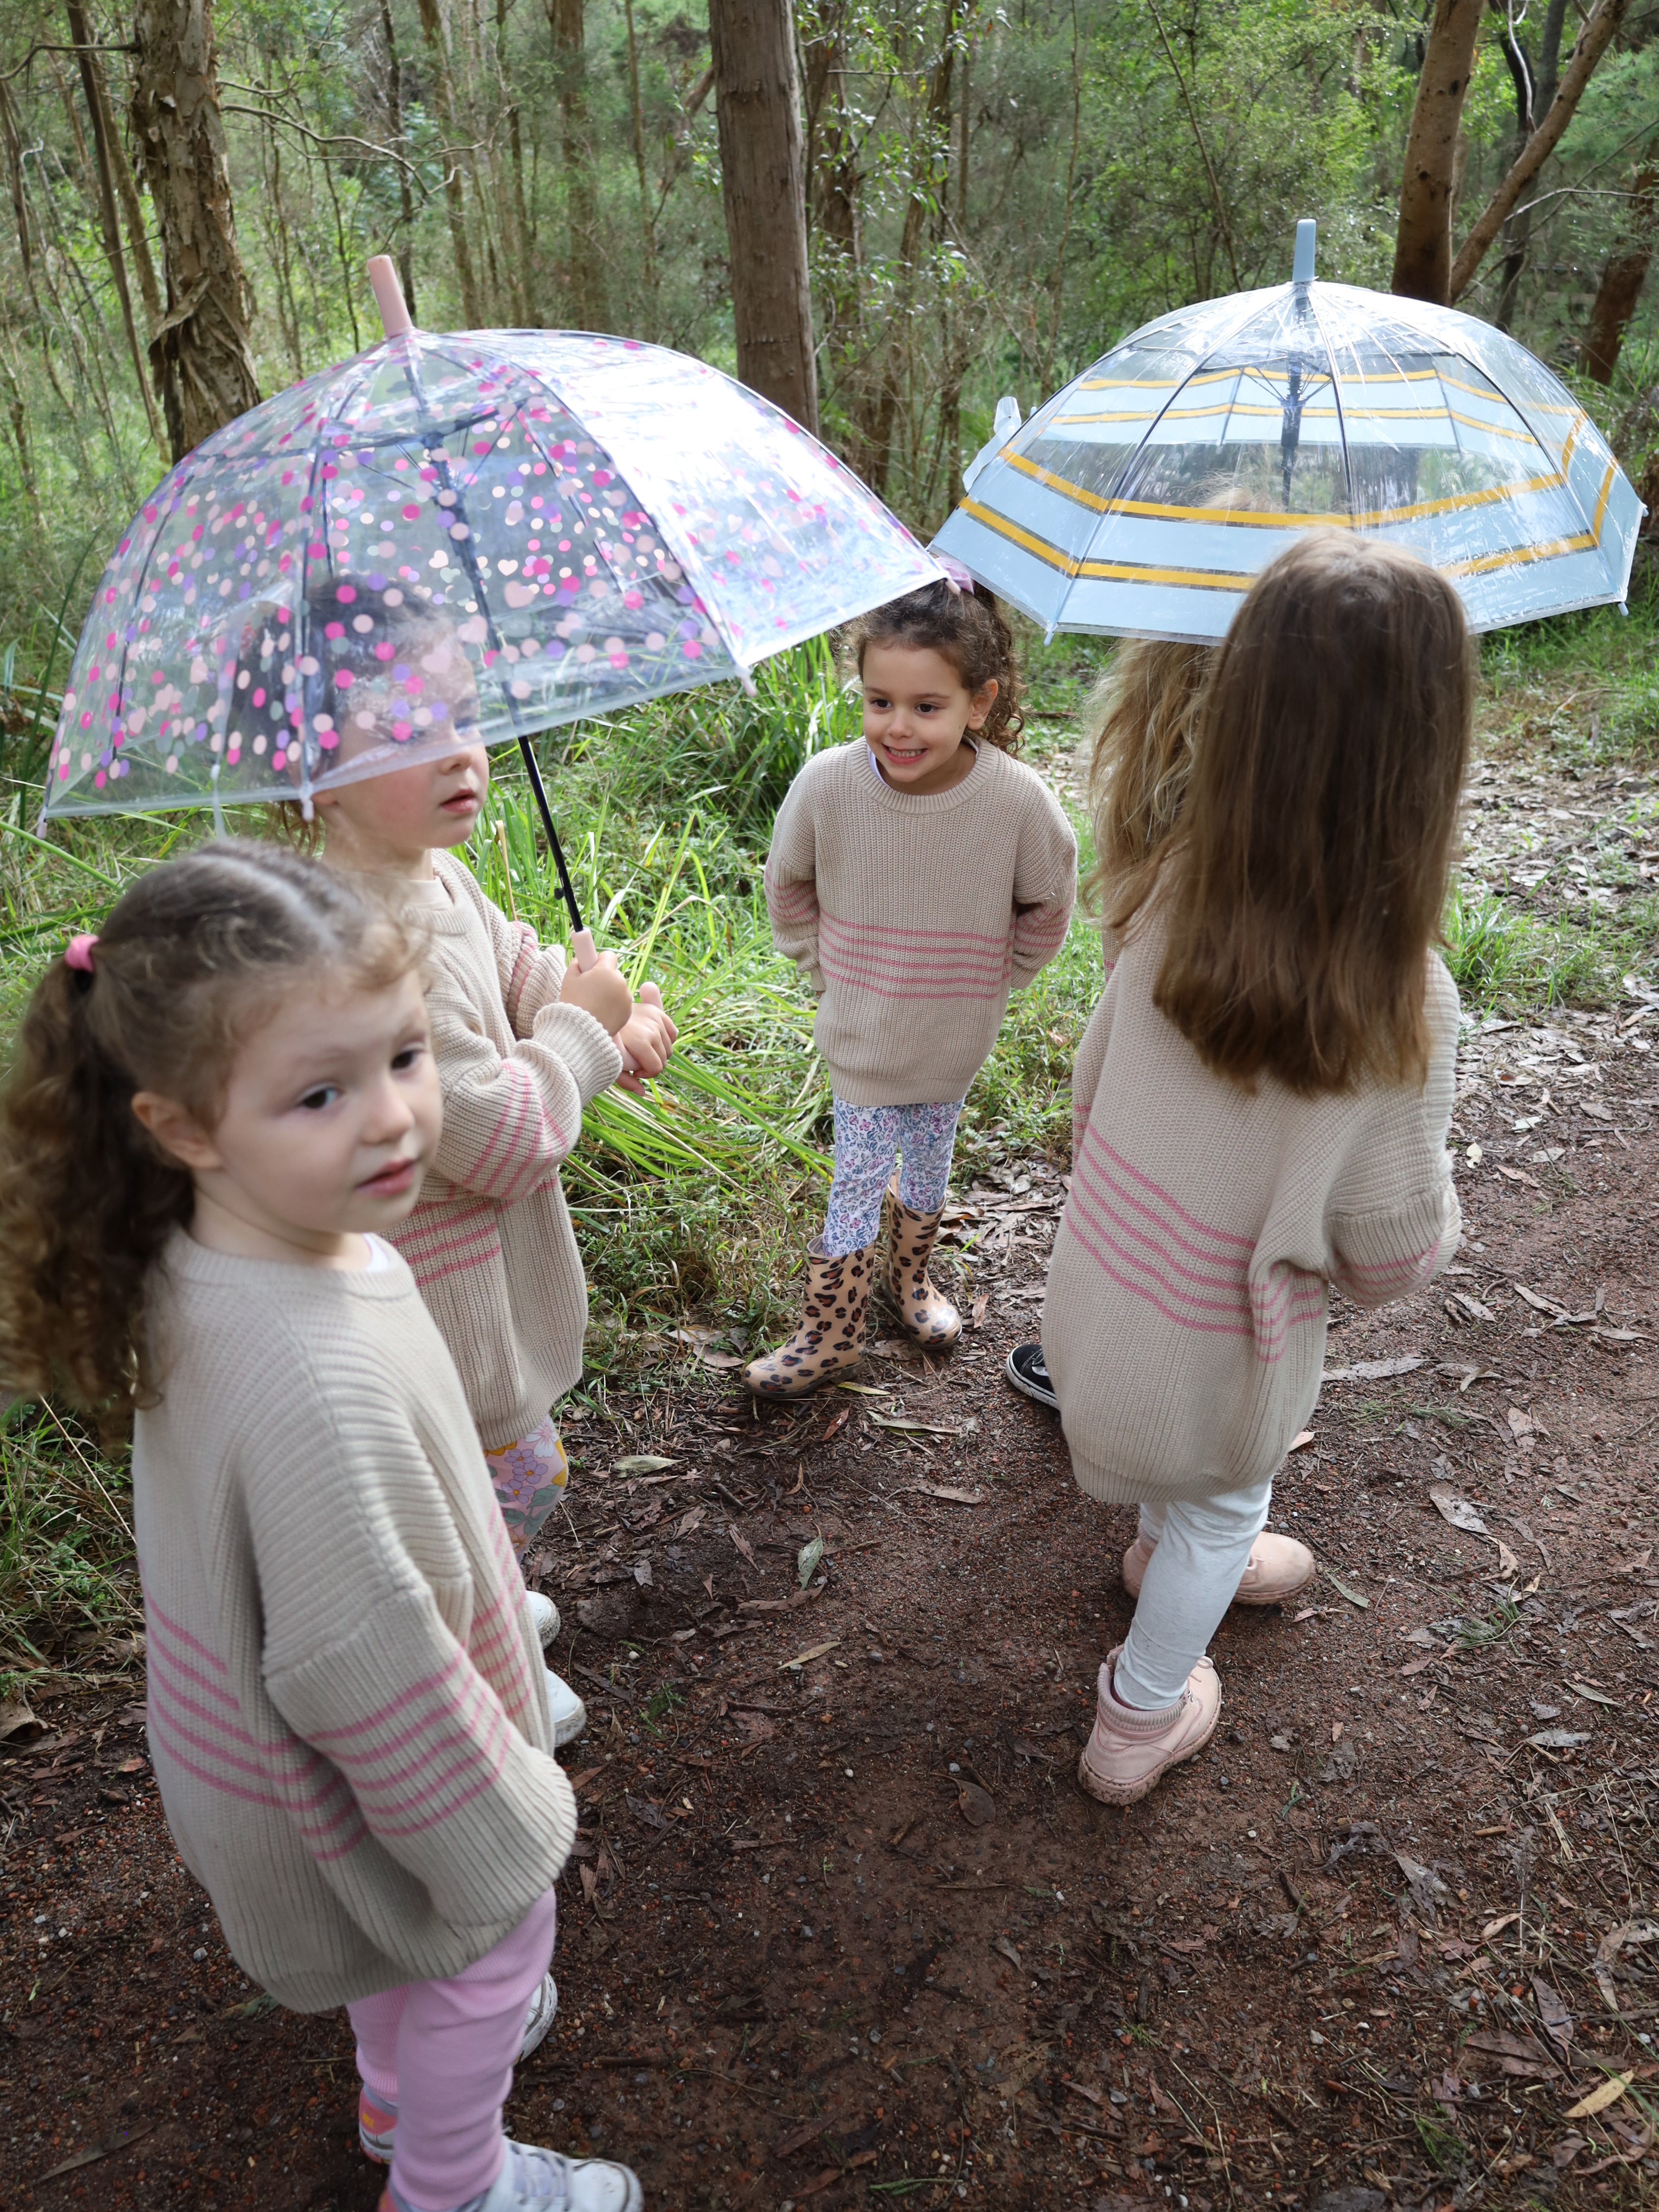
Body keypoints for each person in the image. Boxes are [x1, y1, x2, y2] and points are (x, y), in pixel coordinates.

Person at [0, 844, 641, 2212]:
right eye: (319, 1092)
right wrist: (508, 1834)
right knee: (487, 1944)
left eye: (408, 1055)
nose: (397, 1118)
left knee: (414, 1961)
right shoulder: (308, 1367)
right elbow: (365, 1654)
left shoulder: (235, 1244)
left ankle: (397, 2084)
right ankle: (451, 2180)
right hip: (376, 1778)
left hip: (281, 1761)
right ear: (181, 1124)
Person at [1041, 534, 1469, 1804]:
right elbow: (1388, 1253)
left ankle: (1161, 1546)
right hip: (1224, 1371)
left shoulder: (1170, 894)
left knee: (1197, 1501)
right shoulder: (1405, 1003)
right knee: (1231, 1501)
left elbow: (1086, 1089)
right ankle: (1141, 1713)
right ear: (1426, 759)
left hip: (1097, 1305)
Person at [294, 576, 677, 1744]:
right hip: (436, 1296)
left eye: (465, 715)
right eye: (410, 729)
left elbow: (507, 958)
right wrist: (585, 1035)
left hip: (479, 1279)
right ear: (309, 761)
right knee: (495, 1488)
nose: (462, 753)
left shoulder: (427, 871)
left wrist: (585, 1007)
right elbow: (494, 1133)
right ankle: (479, 1673)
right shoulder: (359, 936)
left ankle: (488, 1603)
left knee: (499, 1486)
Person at [749, 575, 1077, 1396]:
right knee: (856, 1177)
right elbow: (787, 882)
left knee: (930, 1164)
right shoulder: (829, 785)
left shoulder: (1014, 801)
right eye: (878, 701)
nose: (897, 726)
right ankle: (831, 1332)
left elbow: (1049, 899)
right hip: (862, 1034)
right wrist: (820, 966)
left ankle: (912, 1282)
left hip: (953, 1036)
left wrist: (998, 978)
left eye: (925, 706)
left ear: (979, 702)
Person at [1004, 636, 1215, 1413]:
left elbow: (1116, 964)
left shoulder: (1151, 777)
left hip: (1153, 1031)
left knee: (1133, 1202)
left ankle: (1097, 1370)